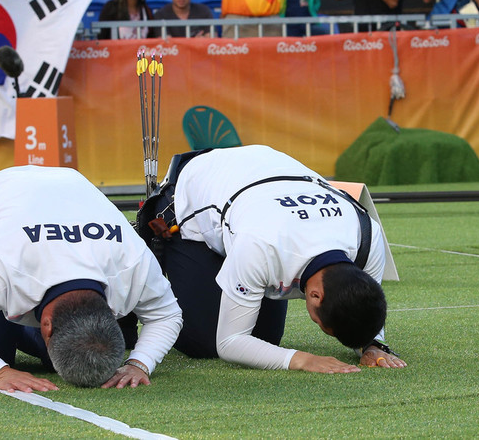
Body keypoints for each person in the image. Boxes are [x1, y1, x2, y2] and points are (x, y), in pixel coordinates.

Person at [139, 145, 404, 372]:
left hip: (260, 187)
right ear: (315, 297)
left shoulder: (368, 237)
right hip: (195, 194)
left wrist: (373, 345)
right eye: (322, 326)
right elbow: (229, 342)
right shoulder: (262, 246)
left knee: (265, 339)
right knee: (205, 344)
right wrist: (303, 360)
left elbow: (366, 304)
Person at [0, 166, 182, 391]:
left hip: (68, 186)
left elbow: (167, 315)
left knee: (66, 358)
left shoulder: (133, 260)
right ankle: (9, 322)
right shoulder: (4, 261)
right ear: (46, 325)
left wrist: (140, 363)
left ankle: (24, 328)